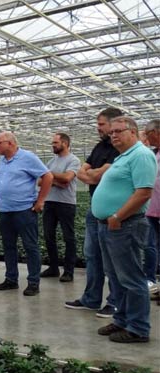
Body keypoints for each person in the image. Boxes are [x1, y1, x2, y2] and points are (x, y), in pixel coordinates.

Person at [93, 116, 156, 343]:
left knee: (131, 278)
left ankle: (138, 328)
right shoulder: (123, 157)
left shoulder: (141, 155)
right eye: (112, 133)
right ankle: (121, 320)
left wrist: (118, 216)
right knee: (116, 277)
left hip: (125, 225)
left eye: (119, 131)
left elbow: (144, 192)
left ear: (133, 132)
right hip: (110, 225)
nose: (114, 135)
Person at [65, 107, 123, 317]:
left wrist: (91, 174)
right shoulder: (100, 147)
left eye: (100, 124)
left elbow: (96, 176)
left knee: (112, 260)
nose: (97, 128)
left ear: (113, 124)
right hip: (95, 209)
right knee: (92, 255)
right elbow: (84, 172)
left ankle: (115, 302)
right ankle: (91, 299)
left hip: (113, 211)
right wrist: (91, 173)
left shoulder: (119, 148)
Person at [0, 131, 53, 296]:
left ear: (10, 143)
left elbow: (48, 176)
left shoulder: (27, 157)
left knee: (30, 246)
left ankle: (33, 282)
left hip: (24, 211)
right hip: (5, 211)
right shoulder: (2, 160)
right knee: (8, 247)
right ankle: (11, 279)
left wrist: (40, 201)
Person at [40, 133, 81, 282]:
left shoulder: (74, 160)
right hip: (50, 202)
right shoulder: (51, 161)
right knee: (48, 235)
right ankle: (53, 267)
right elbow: (40, 181)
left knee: (68, 237)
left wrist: (50, 177)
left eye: (55, 143)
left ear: (65, 143)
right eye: (52, 143)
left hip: (66, 203)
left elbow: (67, 178)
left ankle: (69, 271)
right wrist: (56, 181)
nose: (53, 145)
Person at [142, 120, 160, 294]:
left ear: (156, 132)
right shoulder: (153, 154)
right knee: (150, 245)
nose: (146, 138)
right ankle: (150, 280)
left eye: (148, 134)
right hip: (151, 208)